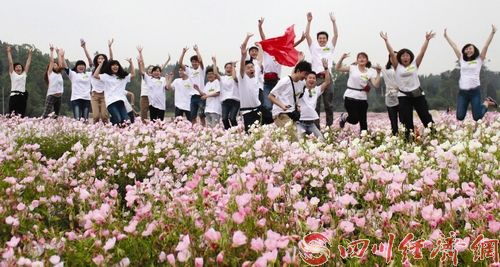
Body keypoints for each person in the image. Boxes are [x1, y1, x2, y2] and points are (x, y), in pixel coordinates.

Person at [380, 31, 435, 140]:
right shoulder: (397, 67)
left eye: (407, 55)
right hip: (403, 95)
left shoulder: (415, 64)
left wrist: (427, 40)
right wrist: (386, 41)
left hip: (417, 93)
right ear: (399, 58)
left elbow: (422, 52)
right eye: (403, 56)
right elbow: (391, 52)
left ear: (410, 57)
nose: (405, 57)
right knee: (406, 119)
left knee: (425, 116)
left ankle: (434, 136)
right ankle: (408, 141)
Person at [444, 25, 498, 121]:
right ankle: (487, 102)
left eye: (470, 48)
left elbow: (486, 46)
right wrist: (446, 36)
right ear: (464, 51)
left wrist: (492, 33)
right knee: (459, 117)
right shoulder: (462, 60)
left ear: (474, 50)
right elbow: (454, 46)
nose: (468, 50)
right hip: (463, 93)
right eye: (467, 48)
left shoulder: (479, 59)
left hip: (475, 92)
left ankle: (487, 102)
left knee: (477, 117)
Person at [257, 17, 306, 111]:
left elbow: (290, 47)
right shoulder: (267, 51)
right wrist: (260, 26)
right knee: (267, 105)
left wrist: (300, 40)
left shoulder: (280, 54)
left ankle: (274, 120)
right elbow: (263, 39)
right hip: (267, 82)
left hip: (276, 82)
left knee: (277, 104)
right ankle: (268, 122)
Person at [305, 12, 338, 128]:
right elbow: (307, 35)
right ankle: (316, 127)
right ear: (317, 39)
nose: (322, 40)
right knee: (316, 104)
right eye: (320, 38)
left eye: (324, 38)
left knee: (328, 104)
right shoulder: (313, 47)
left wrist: (333, 22)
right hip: (316, 78)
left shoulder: (330, 48)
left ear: (326, 40)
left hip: (328, 78)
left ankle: (329, 127)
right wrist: (309, 21)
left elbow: (336, 35)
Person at [336, 52, 381, 133]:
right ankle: (344, 117)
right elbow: (338, 68)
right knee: (354, 119)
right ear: (357, 60)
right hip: (350, 96)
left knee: (363, 122)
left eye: (364, 58)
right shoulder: (352, 68)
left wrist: (378, 73)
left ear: (367, 60)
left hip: (362, 98)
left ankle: (364, 140)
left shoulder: (369, 72)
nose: (362, 59)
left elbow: (376, 85)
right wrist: (342, 58)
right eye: (359, 57)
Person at [268, 61, 311, 127]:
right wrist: (282, 105)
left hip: (292, 114)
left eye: (307, 75)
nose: (306, 77)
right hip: (280, 113)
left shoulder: (301, 84)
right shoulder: (285, 81)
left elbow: (296, 97)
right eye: (305, 74)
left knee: (293, 136)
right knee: (291, 134)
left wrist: (297, 106)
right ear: (298, 71)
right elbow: (270, 96)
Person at [93, 58, 135, 126]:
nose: (115, 66)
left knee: (126, 120)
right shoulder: (106, 76)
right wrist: (100, 64)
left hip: (121, 101)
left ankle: (122, 133)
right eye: (113, 65)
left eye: (117, 65)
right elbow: (95, 75)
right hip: (111, 102)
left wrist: (131, 63)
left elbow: (133, 74)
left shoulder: (122, 76)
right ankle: (114, 131)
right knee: (118, 119)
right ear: (110, 67)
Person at [297, 58, 331, 140]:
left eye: (314, 78)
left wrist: (326, 68)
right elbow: (296, 76)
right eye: (310, 78)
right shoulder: (300, 88)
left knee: (321, 140)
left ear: (316, 81)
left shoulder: (317, 90)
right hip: (300, 123)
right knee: (299, 141)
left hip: (311, 124)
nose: (312, 80)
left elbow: (327, 82)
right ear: (305, 79)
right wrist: (299, 61)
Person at [238, 33, 264, 133]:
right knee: (250, 133)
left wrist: (260, 47)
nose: (251, 69)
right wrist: (247, 38)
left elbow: (260, 60)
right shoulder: (242, 78)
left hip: (258, 109)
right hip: (247, 111)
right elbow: (241, 66)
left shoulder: (256, 72)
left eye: (251, 67)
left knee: (260, 132)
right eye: (248, 68)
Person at [60, 43, 92, 121]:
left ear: (85, 67)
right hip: (76, 99)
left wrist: (84, 48)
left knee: (85, 119)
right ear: (76, 67)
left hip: (86, 99)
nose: (81, 66)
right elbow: (65, 67)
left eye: (83, 65)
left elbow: (91, 63)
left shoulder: (89, 74)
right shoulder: (73, 74)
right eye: (79, 65)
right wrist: (62, 56)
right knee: (77, 119)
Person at [138, 47, 168, 121]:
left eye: (153, 69)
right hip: (145, 96)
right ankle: (145, 128)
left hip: (154, 98)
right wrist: (140, 54)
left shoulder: (159, 79)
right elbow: (142, 66)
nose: (151, 71)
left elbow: (161, 69)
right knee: (144, 114)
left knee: (158, 116)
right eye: (150, 69)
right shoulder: (146, 77)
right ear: (148, 71)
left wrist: (168, 60)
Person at [87, 39, 114, 123]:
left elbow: (111, 59)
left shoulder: (107, 70)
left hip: (104, 95)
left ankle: (107, 132)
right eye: (99, 58)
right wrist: (84, 47)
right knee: (95, 116)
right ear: (97, 60)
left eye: (102, 58)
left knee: (104, 116)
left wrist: (110, 47)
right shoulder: (93, 69)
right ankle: (95, 132)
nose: (101, 59)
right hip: (94, 95)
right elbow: (89, 59)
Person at [180, 45, 206, 125]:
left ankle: (204, 130)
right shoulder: (189, 71)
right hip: (193, 97)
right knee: (192, 116)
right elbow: (180, 63)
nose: (194, 63)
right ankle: (194, 131)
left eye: (196, 61)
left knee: (202, 115)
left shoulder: (201, 70)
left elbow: (201, 61)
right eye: (193, 62)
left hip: (201, 96)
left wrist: (197, 51)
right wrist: (183, 52)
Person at [6, 45, 32, 117]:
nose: (18, 68)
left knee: (21, 115)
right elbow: (10, 63)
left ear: (22, 69)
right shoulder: (12, 74)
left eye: (20, 67)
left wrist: (30, 54)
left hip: (22, 97)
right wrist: (8, 52)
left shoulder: (24, 74)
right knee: (12, 115)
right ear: (14, 69)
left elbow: (28, 64)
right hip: (14, 96)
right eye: (16, 67)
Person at [214, 58, 240, 129]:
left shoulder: (236, 78)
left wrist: (234, 66)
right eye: (227, 68)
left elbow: (234, 77)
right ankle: (228, 132)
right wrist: (214, 62)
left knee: (232, 118)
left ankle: (236, 131)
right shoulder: (222, 78)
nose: (228, 69)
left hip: (235, 101)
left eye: (230, 68)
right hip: (225, 102)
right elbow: (216, 73)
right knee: (224, 119)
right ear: (225, 69)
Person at [42, 45, 64, 118]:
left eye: (56, 65)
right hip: (51, 95)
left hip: (59, 96)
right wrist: (51, 51)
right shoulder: (50, 73)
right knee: (46, 114)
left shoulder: (59, 73)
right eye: (54, 65)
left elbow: (60, 64)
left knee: (56, 115)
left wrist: (58, 53)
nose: (55, 65)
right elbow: (52, 61)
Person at [382, 52, 400, 136]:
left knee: (404, 119)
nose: (394, 59)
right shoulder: (385, 69)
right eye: (392, 57)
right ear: (389, 58)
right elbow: (373, 66)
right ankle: (395, 136)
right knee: (393, 119)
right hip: (390, 97)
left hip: (401, 96)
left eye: (396, 57)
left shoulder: (402, 69)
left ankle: (405, 137)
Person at [202, 61, 222, 127]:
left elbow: (218, 93)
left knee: (215, 128)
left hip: (215, 109)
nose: (209, 75)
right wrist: (197, 89)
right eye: (208, 74)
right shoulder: (207, 84)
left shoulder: (217, 82)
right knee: (210, 129)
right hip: (208, 109)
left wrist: (207, 96)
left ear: (215, 75)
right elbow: (204, 94)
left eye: (211, 74)